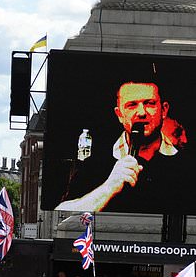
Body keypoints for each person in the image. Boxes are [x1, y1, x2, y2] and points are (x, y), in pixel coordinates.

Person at [55, 81, 189, 212]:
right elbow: (61, 214)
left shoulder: (187, 165)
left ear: (164, 110)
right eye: (132, 105)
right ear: (119, 115)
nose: (141, 112)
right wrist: (109, 187)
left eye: (150, 103)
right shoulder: (95, 163)